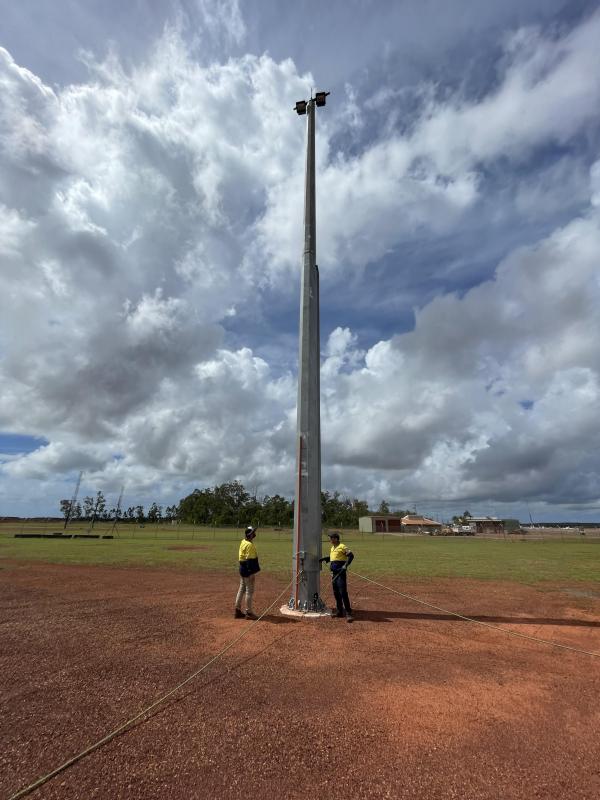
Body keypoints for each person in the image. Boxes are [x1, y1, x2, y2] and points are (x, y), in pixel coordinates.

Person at [319, 531, 354, 622]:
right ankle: (339, 611)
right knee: (336, 593)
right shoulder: (332, 548)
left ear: (336, 539)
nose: (330, 539)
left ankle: (348, 613)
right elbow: (334, 558)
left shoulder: (342, 546)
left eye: (331, 538)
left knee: (343, 592)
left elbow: (351, 556)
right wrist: (326, 558)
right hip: (334, 573)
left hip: (340, 573)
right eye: (330, 538)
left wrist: (345, 566)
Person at [234, 526, 260, 620]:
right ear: (250, 535)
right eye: (253, 533)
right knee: (249, 591)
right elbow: (250, 560)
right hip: (247, 570)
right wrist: (251, 572)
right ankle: (249, 612)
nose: (254, 534)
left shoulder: (243, 541)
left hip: (242, 568)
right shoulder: (250, 545)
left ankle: (237, 610)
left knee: (241, 589)